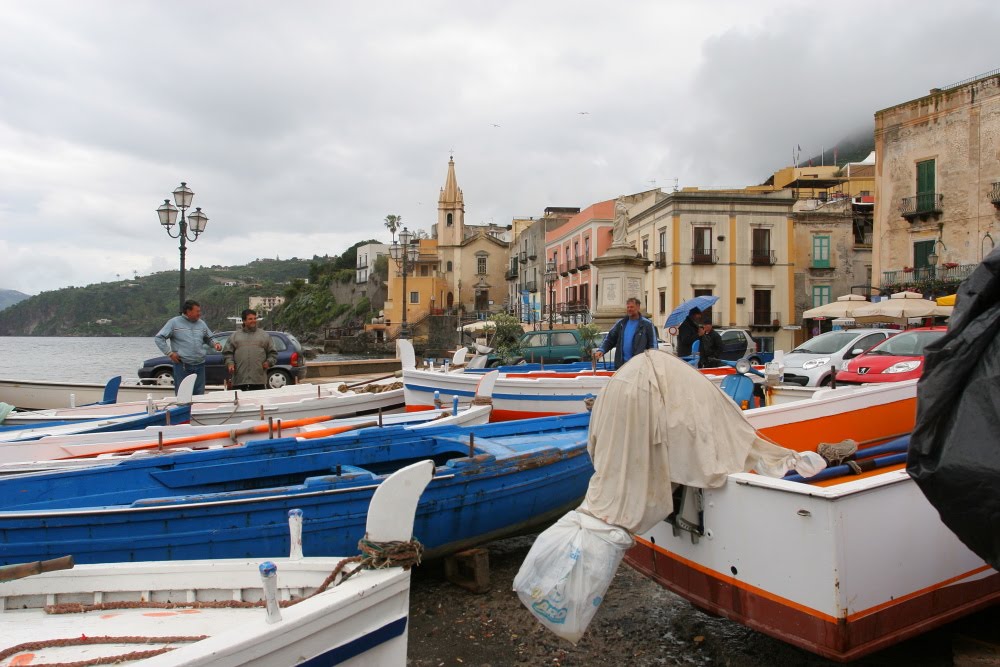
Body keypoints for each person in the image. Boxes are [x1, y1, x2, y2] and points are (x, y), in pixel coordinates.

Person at [154, 299, 222, 396]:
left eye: (200, 311)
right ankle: (184, 410)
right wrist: (169, 353)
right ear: (188, 311)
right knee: (183, 395)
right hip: (182, 366)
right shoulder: (174, 322)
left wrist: (216, 344)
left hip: (200, 365)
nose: (199, 313)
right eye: (197, 311)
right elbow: (159, 338)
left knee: (199, 395)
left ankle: (196, 411)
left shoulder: (201, 323)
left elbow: (209, 338)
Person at [593, 297, 658, 370]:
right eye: (628, 307)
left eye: (632, 307)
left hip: (639, 367)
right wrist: (602, 350)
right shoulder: (621, 324)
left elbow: (653, 346)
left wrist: (652, 363)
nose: (629, 309)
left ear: (638, 307)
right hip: (622, 367)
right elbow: (609, 339)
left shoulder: (647, 325)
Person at [223, 309, 278, 391]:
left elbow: (273, 353)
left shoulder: (264, 335)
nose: (253, 321)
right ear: (244, 321)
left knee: (259, 403)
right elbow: (227, 353)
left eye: (254, 318)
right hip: (239, 380)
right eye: (250, 319)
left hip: (258, 380)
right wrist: (230, 363)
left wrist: (268, 362)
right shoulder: (234, 336)